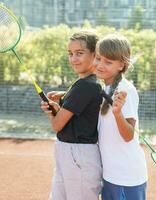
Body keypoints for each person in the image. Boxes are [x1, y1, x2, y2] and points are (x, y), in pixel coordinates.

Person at [41, 31, 103, 200]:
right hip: (70, 152)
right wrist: (63, 98)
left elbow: (57, 125)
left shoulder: (85, 86)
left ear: (95, 55)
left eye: (79, 53)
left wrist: (50, 113)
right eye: (70, 54)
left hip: (78, 155)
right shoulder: (87, 83)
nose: (73, 59)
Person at [95, 34, 148, 200]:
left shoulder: (126, 90)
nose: (100, 65)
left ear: (121, 65)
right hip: (110, 176)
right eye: (98, 58)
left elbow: (128, 135)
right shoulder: (106, 88)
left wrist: (118, 114)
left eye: (108, 62)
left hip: (127, 177)